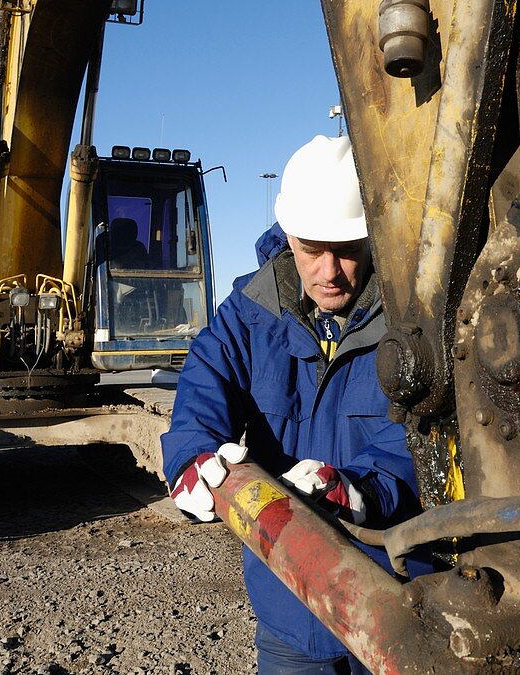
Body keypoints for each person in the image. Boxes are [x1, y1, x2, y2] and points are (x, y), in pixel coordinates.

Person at [160, 135, 430, 673]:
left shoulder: (414, 320)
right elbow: (203, 382)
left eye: (348, 250)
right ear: (287, 237)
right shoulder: (250, 314)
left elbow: (427, 430)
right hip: (290, 608)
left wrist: (360, 488)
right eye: (312, 249)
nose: (329, 272)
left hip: (398, 604)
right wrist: (190, 456)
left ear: (374, 236)